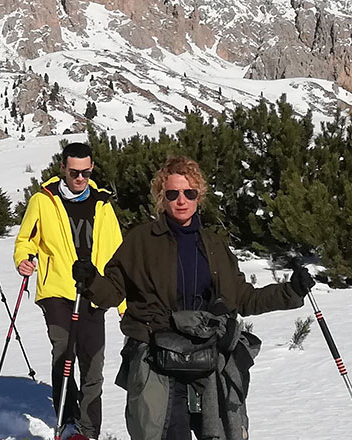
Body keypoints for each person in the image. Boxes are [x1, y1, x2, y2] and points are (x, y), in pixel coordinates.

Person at [79, 157, 314, 440]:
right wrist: (91, 280)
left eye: (189, 193)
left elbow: (243, 298)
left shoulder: (214, 243)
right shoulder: (140, 240)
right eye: (172, 193)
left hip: (210, 358)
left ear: (199, 196)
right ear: (161, 197)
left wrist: (291, 291)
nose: (181, 200)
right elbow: (113, 292)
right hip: (157, 357)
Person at [14, 141, 123, 439]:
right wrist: (23, 259)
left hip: (94, 291)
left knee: (93, 364)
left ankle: (88, 431)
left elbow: (116, 253)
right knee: (64, 354)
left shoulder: (102, 203)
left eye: (85, 172)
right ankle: (67, 421)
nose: (79, 178)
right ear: (63, 168)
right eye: (74, 172)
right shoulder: (43, 199)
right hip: (57, 290)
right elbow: (26, 239)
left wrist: (124, 303)